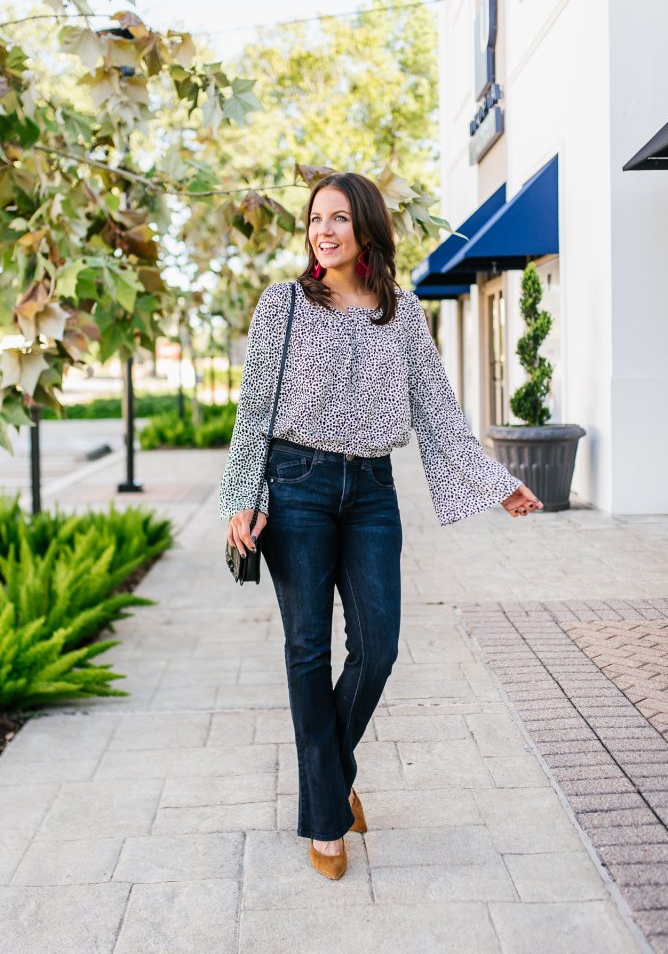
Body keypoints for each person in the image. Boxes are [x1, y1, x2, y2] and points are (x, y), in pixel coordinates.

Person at [219, 171, 543, 881]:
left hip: (370, 489)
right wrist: (243, 495)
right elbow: (254, 409)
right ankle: (327, 821)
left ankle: (329, 778)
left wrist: (499, 482)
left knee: (379, 647)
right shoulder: (284, 305)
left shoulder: (402, 313)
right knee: (307, 648)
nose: (323, 231)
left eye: (337, 218)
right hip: (296, 484)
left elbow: (437, 412)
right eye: (314, 220)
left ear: (366, 228)